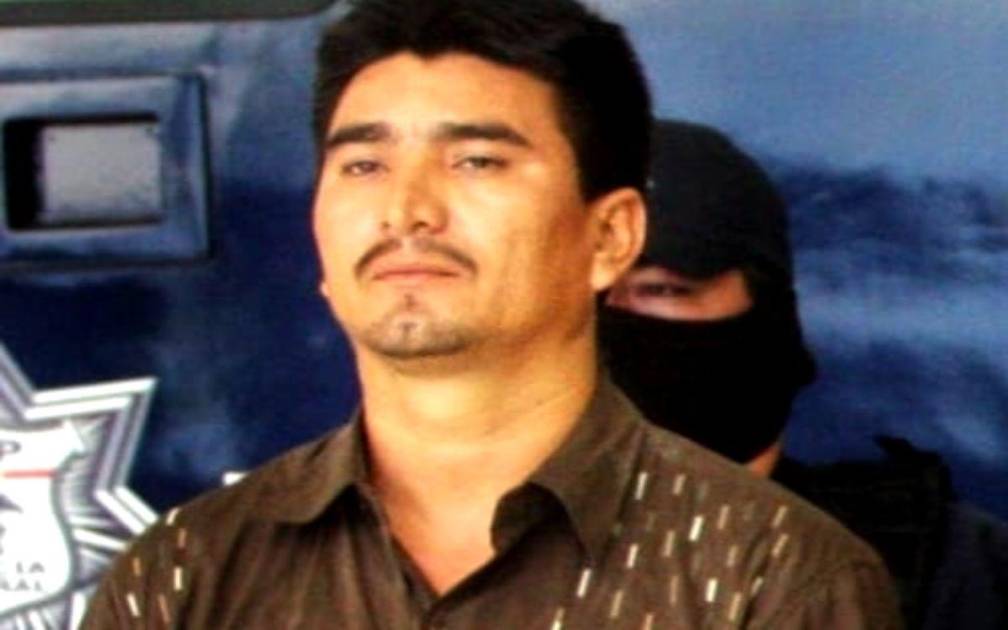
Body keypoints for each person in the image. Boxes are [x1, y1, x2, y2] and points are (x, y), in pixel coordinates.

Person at [82, 1, 901, 627]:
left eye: (475, 160)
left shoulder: (772, 576)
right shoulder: (185, 574)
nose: (406, 210)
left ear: (611, 236)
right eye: (363, 164)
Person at [602, 119, 1008, 629]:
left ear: (768, 317)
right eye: (576, 291)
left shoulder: (949, 572)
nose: (613, 323)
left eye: (663, 290)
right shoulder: (509, 565)